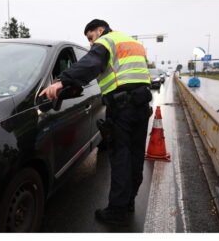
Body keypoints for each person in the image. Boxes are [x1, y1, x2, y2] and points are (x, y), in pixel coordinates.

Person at [39, 19, 152, 225]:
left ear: (100, 30)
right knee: (136, 156)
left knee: (120, 158)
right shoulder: (133, 44)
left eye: (91, 38)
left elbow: (89, 64)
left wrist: (61, 81)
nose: (91, 44)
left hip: (123, 108)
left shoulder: (107, 41)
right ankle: (129, 202)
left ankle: (116, 211)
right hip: (141, 105)